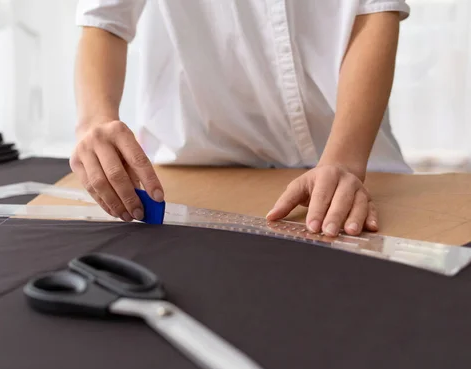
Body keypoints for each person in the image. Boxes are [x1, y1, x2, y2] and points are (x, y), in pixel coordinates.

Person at [70, 0, 413, 237]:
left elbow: (375, 12)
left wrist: (345, 160)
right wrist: (94, 120)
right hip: (199, 161)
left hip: (348, 153)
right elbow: (104, 21)